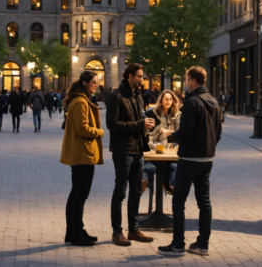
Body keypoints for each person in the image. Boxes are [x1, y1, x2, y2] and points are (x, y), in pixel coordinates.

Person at [158, 67, 221, 257]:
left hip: (188, 159)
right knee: (204, 202)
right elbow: (217, 133)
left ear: (192, 80)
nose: (186, 82)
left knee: (178, 201)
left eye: (186, 79)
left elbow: (185, 132)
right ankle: (203, 244)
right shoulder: (215, 103)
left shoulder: (192, 102)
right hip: (207, 158)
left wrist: (170, 136)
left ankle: (178, 245)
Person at [105, 63, 155, 247]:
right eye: (139, 76)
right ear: (130, 76)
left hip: (138, 150)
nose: (142, 79)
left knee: (136, 192)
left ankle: (133, 230)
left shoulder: (138, 96)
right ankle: (117, 232)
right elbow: (112, 125)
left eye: (142, 76)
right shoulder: (115, 96)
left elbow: (138, 121)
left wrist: (146, 128)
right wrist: (139, 125)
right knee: (120, 192)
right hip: (123, 150)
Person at [60, 71, 103, 247]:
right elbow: (82, 128)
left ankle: (74, 231)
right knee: (80, 195)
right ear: (84, 83)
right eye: (94, 82)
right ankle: (76, 233)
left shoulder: (80, 100)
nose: (96, 84)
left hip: (80, 153)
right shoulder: (80, 102)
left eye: (97, 82)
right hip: (83, 154)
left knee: (76, 193)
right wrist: (99, 132)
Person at [144, 90, 181, 195]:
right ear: (161, 101)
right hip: (156, 151)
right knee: (162, 167)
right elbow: (148, 137)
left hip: (169, 153)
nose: (168, 101)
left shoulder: (176, 115)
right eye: (166, 99)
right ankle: (165, 186)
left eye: (170, 99)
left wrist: (173, 135)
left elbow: (180, 134)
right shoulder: (153, 114)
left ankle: (173, 191)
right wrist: (159, 131)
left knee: (174, 167)